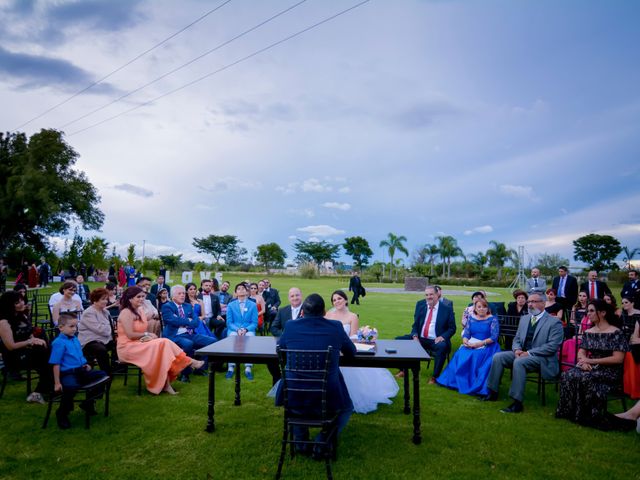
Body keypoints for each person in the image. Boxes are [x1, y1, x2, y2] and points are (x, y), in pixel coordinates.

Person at [275, 293, 357, 458]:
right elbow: (351, 352)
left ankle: (300, 442)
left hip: (293, 394)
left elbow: (281, 348)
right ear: (324, 312)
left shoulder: (290, 326)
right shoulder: (335, 327)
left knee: (297, 403)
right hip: (327, 395)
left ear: (303, 312)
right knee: (347, 408)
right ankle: (321, 441)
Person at [483, 293, 564, 413]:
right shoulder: (525, 319)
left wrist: (529, 353)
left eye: (534, 302)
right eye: (529, 302)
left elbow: (552, 347)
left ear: (543, 303)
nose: (530, 304)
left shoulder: (554, 322)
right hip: (521, 353)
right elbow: (517, 338)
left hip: (542, 358)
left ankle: (517, 402)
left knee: (519, 362)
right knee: (498, 356)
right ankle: (493, 392)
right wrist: (516, 350)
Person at [116, 286, 204, 395]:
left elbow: (150, 317)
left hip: (139, 344)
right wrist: (147, 334)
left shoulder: (139, 311)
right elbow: (130, 334)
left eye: (143, 297)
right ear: (130, 298)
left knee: (162, 349)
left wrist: (148, 334)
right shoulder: (126, 313)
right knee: (163, 342)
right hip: (127, 348)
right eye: (138, 297)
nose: (141, 299)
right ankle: (189, 362)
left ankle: (166, 384)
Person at [556, 299, 628, 429]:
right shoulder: (589, 332)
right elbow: (581, 352)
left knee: (584, 378)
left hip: (609, 371)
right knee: (568, 375)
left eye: (591, 311)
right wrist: (583, 362)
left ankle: (587, 415)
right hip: (590, 367)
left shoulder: (616, 333)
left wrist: (591, 361)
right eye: (587, 311)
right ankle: (569, 412)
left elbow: (618, 359)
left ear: (603, 313)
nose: (588, 314)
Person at [325, 290, 398, 413]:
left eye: (339, 298)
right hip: (331, 350)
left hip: (345, 349)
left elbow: (353, 337)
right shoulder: (328, 315)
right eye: (334, 300)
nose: (337, 301)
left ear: (346, 300)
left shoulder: (352, 316)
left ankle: (349, 398)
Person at [49, 313, 108, 429]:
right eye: (71, 326)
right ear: (61, 327)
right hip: (67, 373)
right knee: (71, 387)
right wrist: (57, 382)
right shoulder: (59, 343)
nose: (74, 329)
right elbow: (55, 364)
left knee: (103, 375)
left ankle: (88, 402)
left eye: (75, 326)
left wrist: (85, 364)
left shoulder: (75, 339)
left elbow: (79, 356)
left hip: (81, 371)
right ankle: (62, 413)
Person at [437, 298, 500, 396]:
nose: (482, 309)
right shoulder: (471, 317)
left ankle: (471, 383)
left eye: (484, 307)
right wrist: (465, 341)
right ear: (475, 308)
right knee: (460, 353)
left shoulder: (493, 319)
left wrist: (479, 344)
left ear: (488, 308)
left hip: (488, 345)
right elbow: (467, 333)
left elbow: (494, 337)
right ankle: (454, 382)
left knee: (475, 355)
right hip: (472, 342)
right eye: (479, 307)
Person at [0, 291, 51, 402]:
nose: (22, 303)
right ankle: (44, 389)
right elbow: (11, 346)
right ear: (8, 305)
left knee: (51, 351)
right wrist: (30, 341)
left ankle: (46, 388)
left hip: (28, 351)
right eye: (17, 302)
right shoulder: (3, 322)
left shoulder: (22, 315)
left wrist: (35, 338)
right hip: (14, 357)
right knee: (46, 356)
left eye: (22, 300)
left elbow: (29, 332)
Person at [161, 285, 216, 381]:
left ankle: (200, 368)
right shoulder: (167, 306)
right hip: (173, 336)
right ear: (173, 296)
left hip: (189, 334)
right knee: (188, 344)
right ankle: (184, 374)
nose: (182, 295)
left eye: (183, 293)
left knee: (212, 342)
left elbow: (196, 322)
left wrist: (182, 321)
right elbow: (172, 320)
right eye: (179, 293)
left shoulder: (187, 306)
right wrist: (187, 320)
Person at [410, 286, 456, 384]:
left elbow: (452, 328)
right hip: (420, 339)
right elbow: (415, 325)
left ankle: (435, 377)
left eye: (431, 294)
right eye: (426, 295)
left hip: (435, 340)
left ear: (437, 295)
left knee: (442, 347)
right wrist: (415, 336)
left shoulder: (446, 309)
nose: (428, 297)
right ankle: (403, 370)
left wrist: (443, 337)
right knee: (400, 340)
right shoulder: (421, 306)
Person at [225, 283, 258, 380]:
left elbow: (254, 322)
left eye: (243, 288)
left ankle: (248, 367)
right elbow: (229, 322)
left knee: (250, 337)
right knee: (232, 337)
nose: (241, 290)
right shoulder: (231, 305)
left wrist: (246, 329)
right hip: (234, 329)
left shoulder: (252, 305)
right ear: (235, 292)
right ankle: (231, 367)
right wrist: (237, 329)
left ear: (247, 292)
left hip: (248, 329)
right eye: (238, 289)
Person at [78, 288, 114, 374]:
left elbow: (110, 328)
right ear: (95, 300)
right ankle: (106, 373)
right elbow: (102, 330)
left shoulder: (105, 312)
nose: (106, 301)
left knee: (120, 343)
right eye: (103, 299)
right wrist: (109, 327)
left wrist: (109, 327)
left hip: (104, 339)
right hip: (89, 341)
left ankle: (118, 367)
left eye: (106, 299)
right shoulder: (88, 313)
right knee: (101, 350)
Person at [621, 296, 640, 399]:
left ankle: (634, 389)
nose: (624, 305)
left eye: (626, 302)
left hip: (634, 343)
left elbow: (635, 336)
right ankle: (625, 388)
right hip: (626, 340)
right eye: (622, 303)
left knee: (630, 353)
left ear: (632, 303)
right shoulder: (623, 315)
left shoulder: (638, 315)